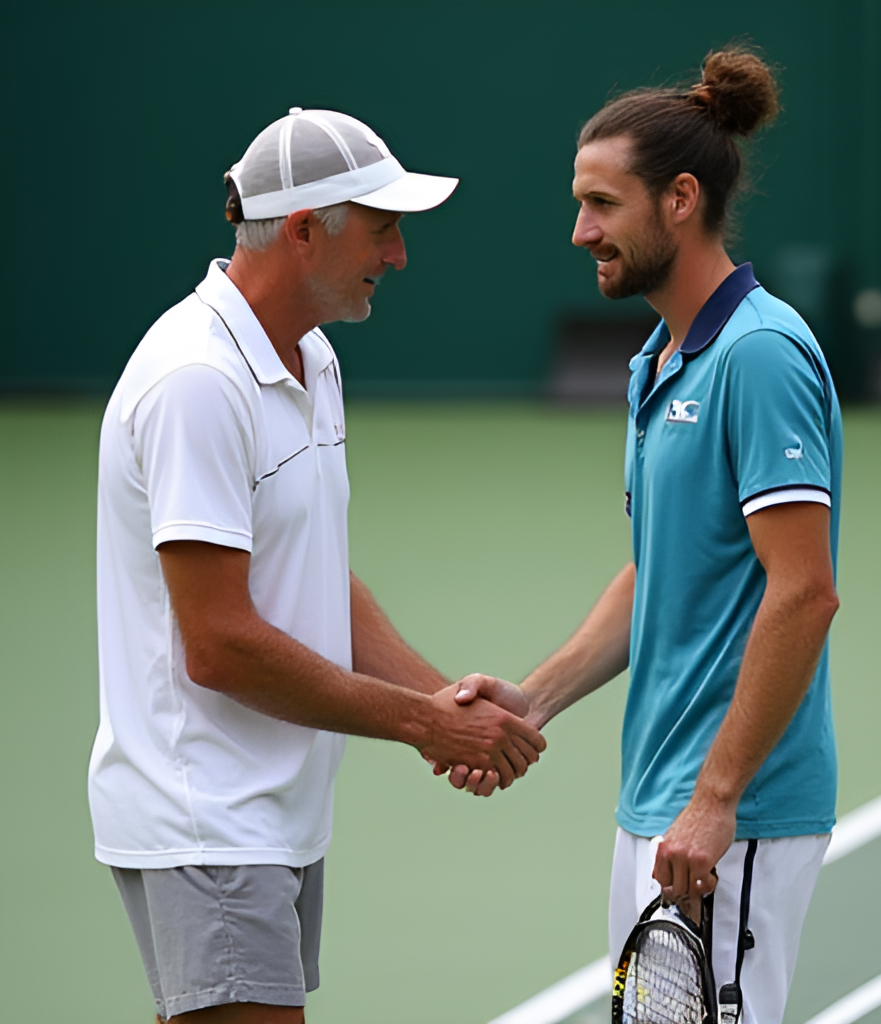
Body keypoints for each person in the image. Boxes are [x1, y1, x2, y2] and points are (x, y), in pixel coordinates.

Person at [88, 107, 545, 1023]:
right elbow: (218, 645)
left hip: (275, 820)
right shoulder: (196, 383)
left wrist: (446, 698)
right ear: (303, 230)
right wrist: (424, 726)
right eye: (383, 229)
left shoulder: (315, 360)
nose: (401, 254)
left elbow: (315, 576)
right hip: (207, 824)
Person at [449, 47, 842, 1024]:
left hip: (732, 810)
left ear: (678, 199)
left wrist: (715, 799)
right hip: (659, 800)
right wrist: (534, 697)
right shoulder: (657, 362)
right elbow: (656, 571)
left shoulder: (759, 356)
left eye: (601, 203)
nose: (579, 230)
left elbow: (803, 591)